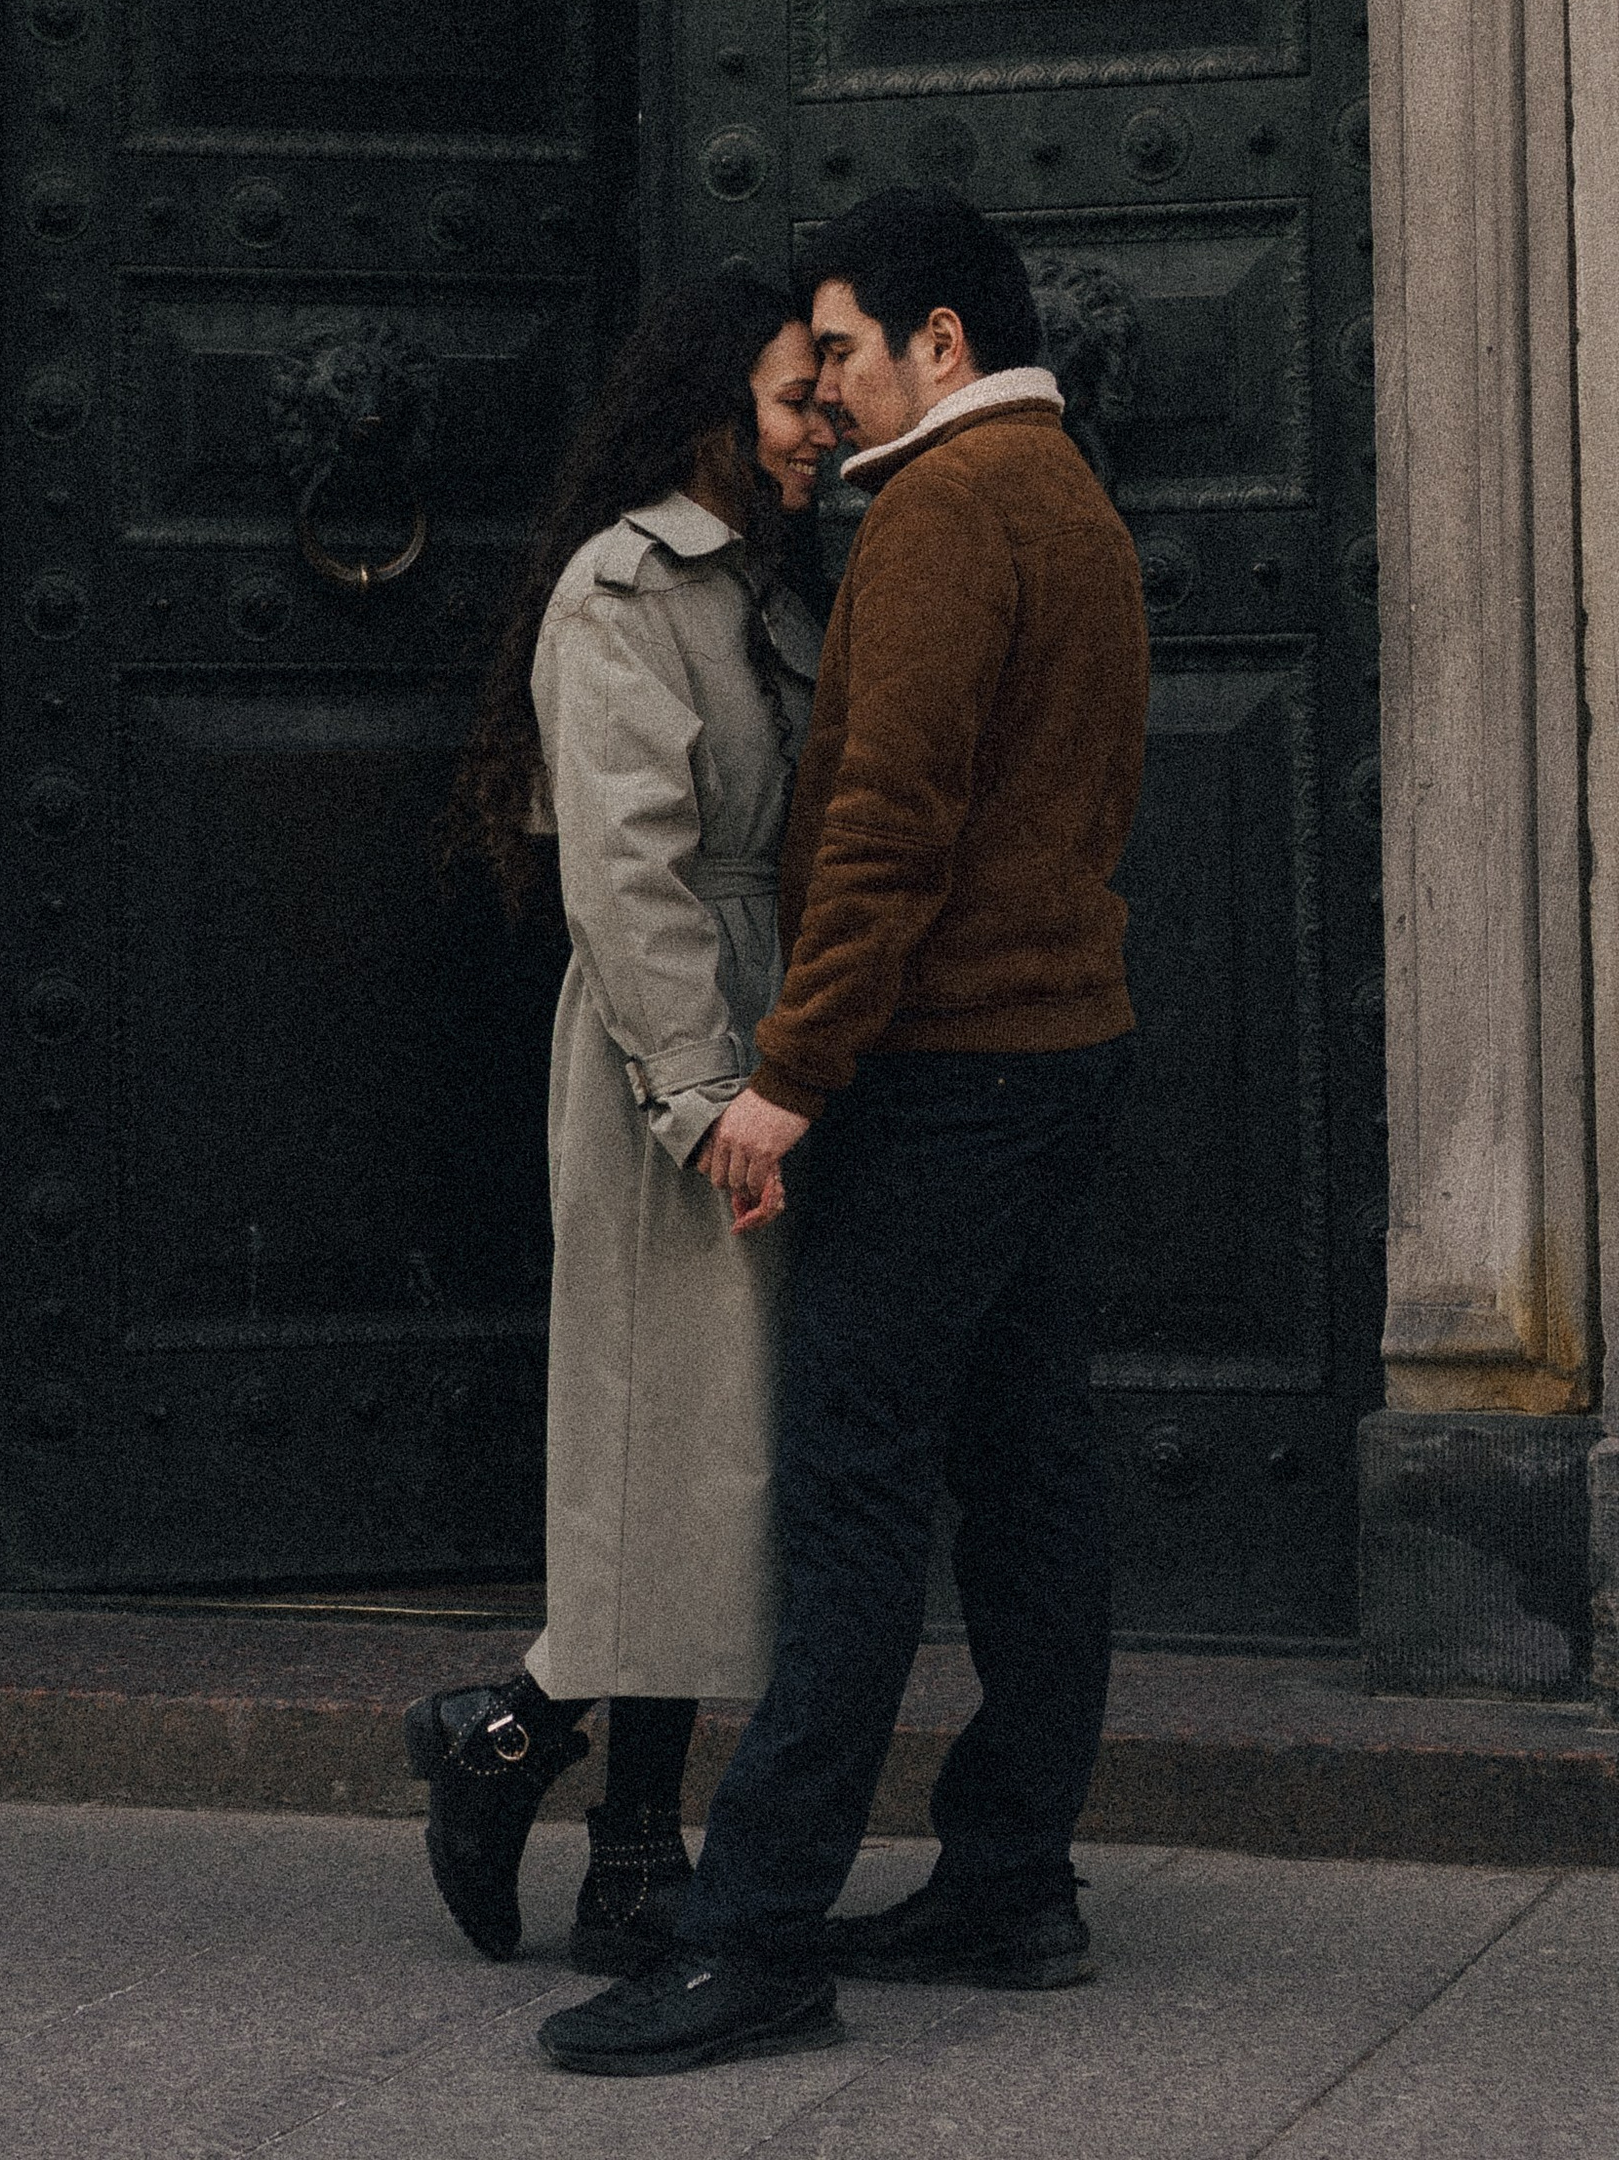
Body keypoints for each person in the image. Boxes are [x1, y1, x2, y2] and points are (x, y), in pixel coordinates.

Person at [539, 186, 1152, 2080]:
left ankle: (752, 1934)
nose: (830, 394)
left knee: (854, 1497)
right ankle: (1011, 1879)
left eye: (846, 352)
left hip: (945, 1074)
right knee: (1030, 1474)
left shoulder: (950, 509)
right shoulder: (1071, 494)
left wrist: (789, 1078)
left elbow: (889, 825)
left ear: (938, 343)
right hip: (1060, 1048)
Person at [403, 273, 834, 1979]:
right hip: (677, 1052)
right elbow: (627, 871)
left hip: (766, 1032)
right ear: (711, 410)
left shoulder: (769, 587)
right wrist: (702, 1097)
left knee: (720, 1461)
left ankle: (517, 1753)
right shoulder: (621, 592)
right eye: (795, 399)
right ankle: (618, 1836)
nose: (821, 429)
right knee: (671, 1446)